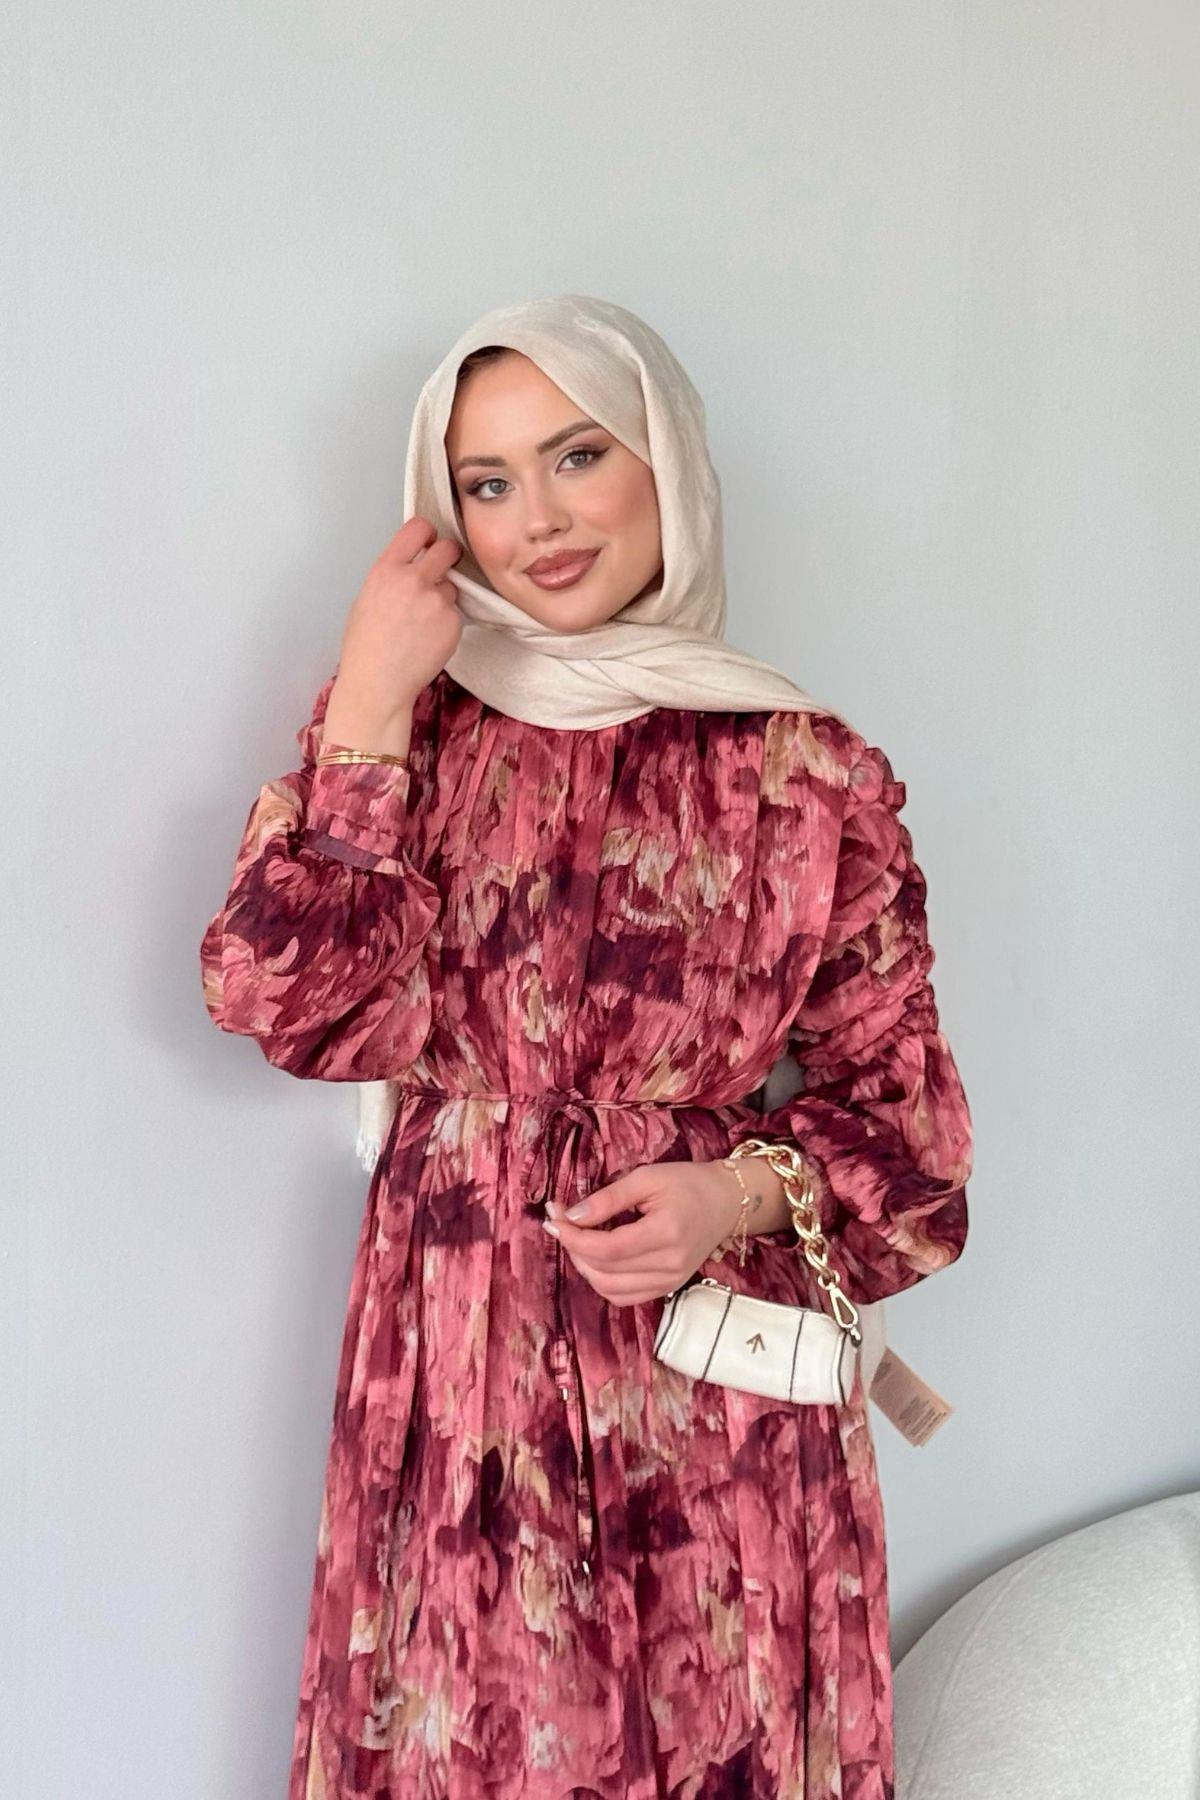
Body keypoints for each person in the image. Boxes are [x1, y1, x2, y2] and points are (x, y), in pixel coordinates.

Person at [199, 294, 973, 1800]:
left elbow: (916, 1145)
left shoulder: (807, 771)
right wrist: (370, 700)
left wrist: (729, 1194)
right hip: (455, 1357)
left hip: (704, 1385)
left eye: (578, 456)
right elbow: (285, 1008)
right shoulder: (409, 733)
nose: (538, 521)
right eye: (487, 483)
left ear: (664, 461)